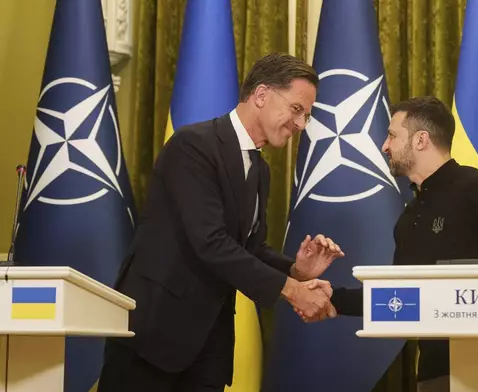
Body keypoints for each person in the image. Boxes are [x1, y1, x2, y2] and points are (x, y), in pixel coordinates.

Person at [97, 52, 345, 392]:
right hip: (153, 339)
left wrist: (296, 271)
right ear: (261, 95)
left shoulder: (260, 170)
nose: (301, 124)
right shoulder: (193, 146)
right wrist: (293, 292)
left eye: (306, 115)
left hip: (208, 346)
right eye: (297, 109)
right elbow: (210, 242)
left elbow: (249, 248)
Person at [301, 96, 478, 392]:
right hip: (433, 373)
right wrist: (331, 296)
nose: (385, 146)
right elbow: (401, 299)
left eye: (392, 135)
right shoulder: (409, 217)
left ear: (421, 140)